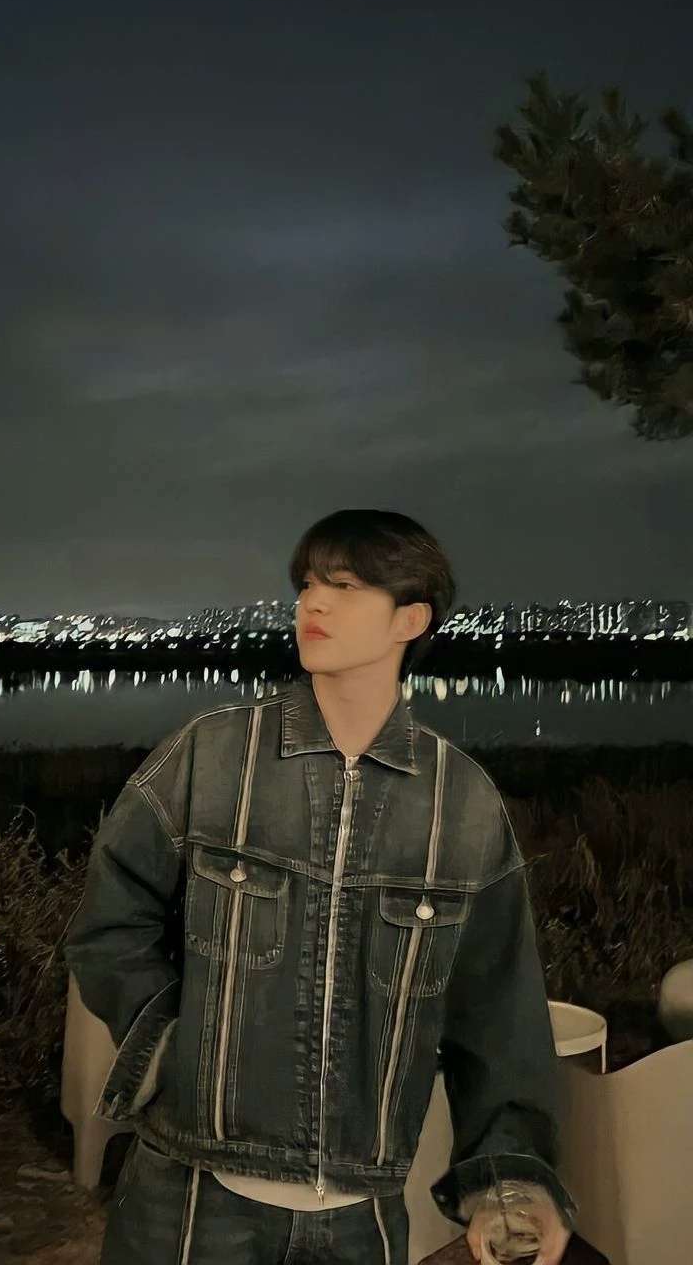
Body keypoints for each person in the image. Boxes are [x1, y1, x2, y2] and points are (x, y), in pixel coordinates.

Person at [66, 509, 575, 1265]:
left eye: (345, 586)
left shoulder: (461, 803)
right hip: (189, 1198)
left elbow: (498, 1011)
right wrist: (174, 1048)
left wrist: (508, 1185)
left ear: (410, 620)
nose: (313, 603)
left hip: (360, 1218)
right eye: (308, 584)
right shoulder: (214, 755)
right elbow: (110, 922)